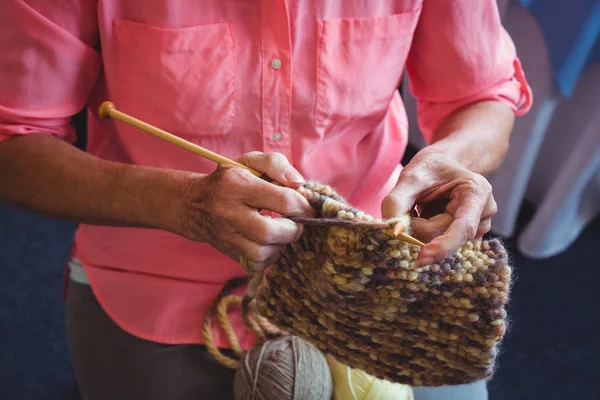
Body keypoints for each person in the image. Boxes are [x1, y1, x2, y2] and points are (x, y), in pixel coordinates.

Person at [0, 0, 532, 399]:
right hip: (154, 275)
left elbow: (481, 94)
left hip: (376, 267)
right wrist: (182, 204)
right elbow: (14, 143)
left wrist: (454, 160)